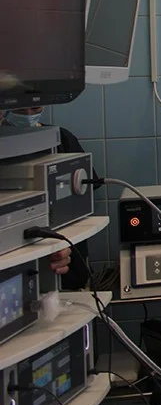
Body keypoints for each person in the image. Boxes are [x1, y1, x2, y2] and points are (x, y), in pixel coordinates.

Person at [1, 108, 90, 284]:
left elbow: (78, 205)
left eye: (34, 108)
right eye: (20, 108)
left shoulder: (62, 139)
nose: (28, 114)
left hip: (59, 259)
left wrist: (60, 246)